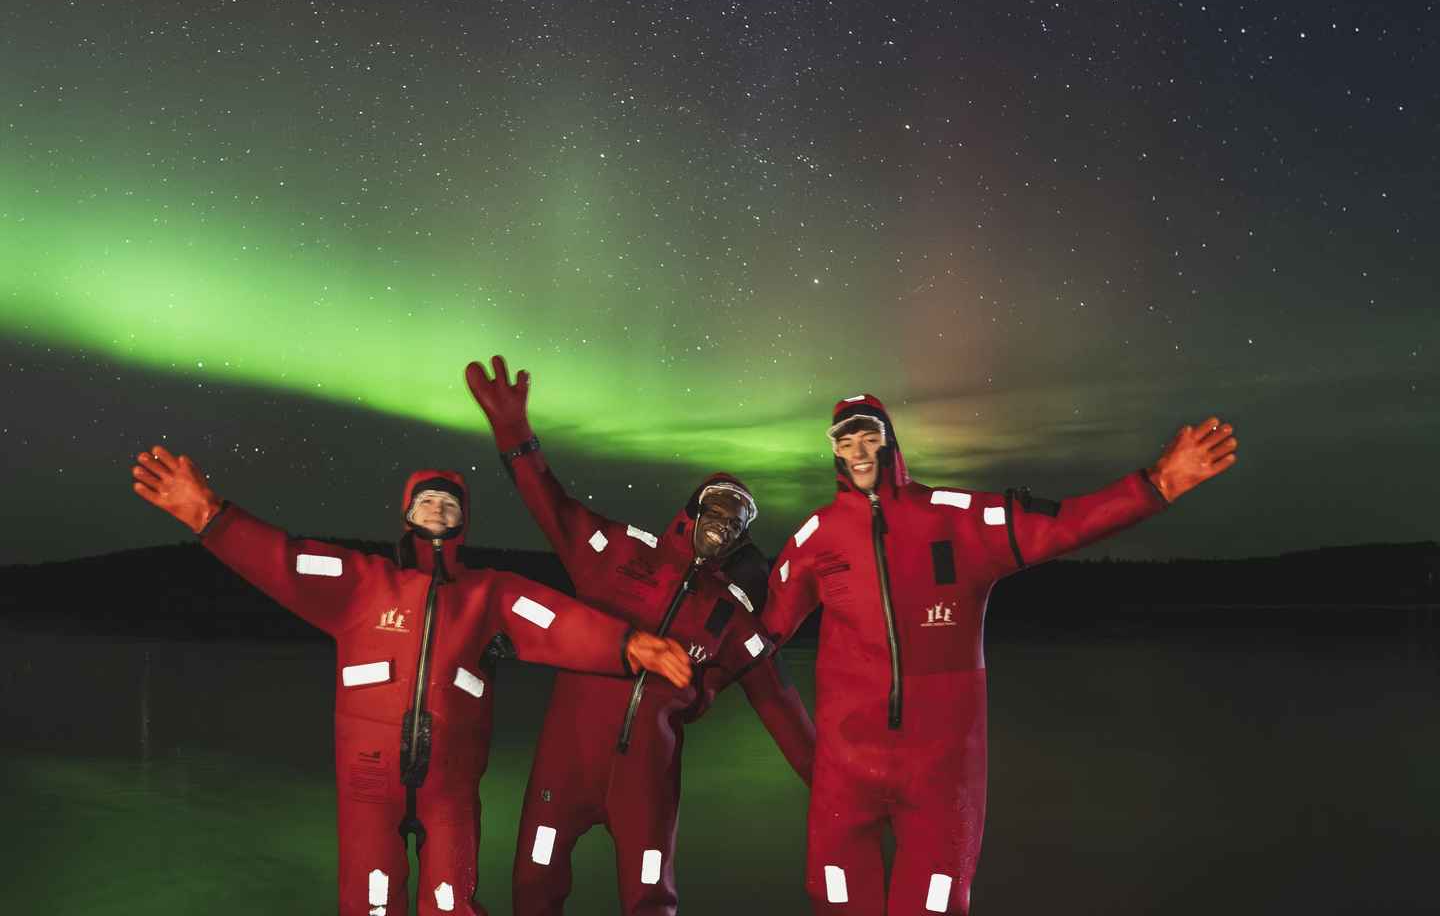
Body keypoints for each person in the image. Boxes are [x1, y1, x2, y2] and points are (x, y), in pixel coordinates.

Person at [130, 446, 693, 916]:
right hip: (368, 784)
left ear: (463, 521)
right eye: (426, 500)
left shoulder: (488, 595)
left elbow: (555, 620)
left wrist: (628, 644)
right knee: (373, 900)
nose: (438, 508)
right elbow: (287, 560)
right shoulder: (361, 583)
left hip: (450, 785)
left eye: (450, 503)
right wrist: (212, 516)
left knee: (452, 902)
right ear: (406, 515)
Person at [759, 394, 1238, 914]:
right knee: (837, 904)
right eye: (846, 441)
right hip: (845, 778)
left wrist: (1155, 486)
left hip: (940, 779)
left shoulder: (958, 520)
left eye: (868, 437)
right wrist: (679, 654)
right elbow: (758, 638)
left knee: (934, 908)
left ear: (890, 443)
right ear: (834, 452)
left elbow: (1063, 525)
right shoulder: (816, 537)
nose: (858, 451)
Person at [465, 356, 816, 916]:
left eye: (735, 523)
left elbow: (779, 704)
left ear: (739, 542)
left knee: (651, 898)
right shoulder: (619, 552)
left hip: (645, 784)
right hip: (566, 764)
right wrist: (513, 431)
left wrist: (832, 788)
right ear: (692, 512)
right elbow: (551, 505)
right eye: (715, 511)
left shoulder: (730, 617)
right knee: (534, 885)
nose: (721, 525)